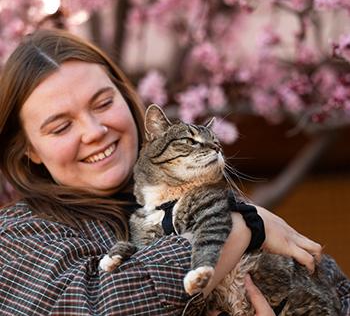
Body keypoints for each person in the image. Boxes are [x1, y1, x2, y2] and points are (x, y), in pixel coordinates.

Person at [0, 29, 348, 316]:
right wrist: (240, 225)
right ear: (29, 149)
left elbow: (335, 288)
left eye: (104, 103)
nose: (94, 131)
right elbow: (95, 307)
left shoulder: (197, 188)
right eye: (61, 127)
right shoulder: (18, 236)